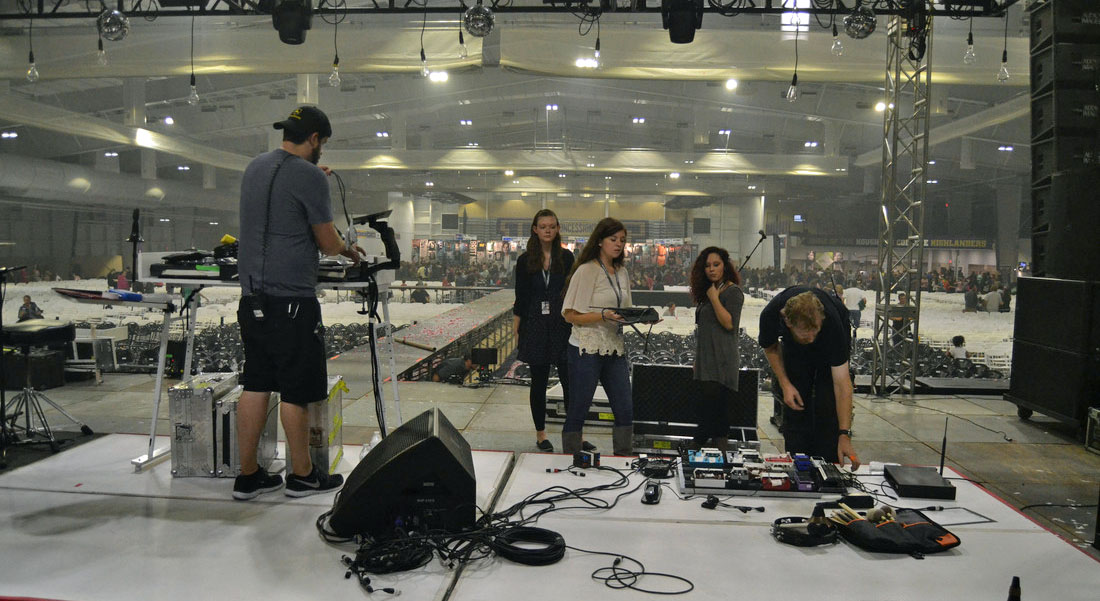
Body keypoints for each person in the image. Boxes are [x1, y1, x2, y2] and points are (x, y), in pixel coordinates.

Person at [233, 105, 362, 501]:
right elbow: (326, 241)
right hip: (292, 301)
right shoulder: (310, 176)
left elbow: (280, 201)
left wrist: (309, 180)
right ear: (316, 140)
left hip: (252, 297)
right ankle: (303, 476)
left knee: (256, 384)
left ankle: (249, 475)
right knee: (295, 391)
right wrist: (348, 250)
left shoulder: (255, 166)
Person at [759, 287, 860, 468]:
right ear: (788, 321)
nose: (812, 339)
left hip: (831, 336)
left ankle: (829, 462)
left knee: (827, 400)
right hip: (794, 346)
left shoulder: (831, 323)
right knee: (796, 399)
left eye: (815, 331)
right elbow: (771, 347)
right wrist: (786, 384)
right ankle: (799, 461)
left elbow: (842, 384)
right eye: (806, 333)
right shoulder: (771, 315)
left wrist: (844, 434)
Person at [561, 217, 634, 456]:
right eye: (613, 239)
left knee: (624, 407)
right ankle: (572, 458)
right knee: (579, 407)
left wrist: (642, 317)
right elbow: (570, 314)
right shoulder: (587, 270)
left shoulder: (622, 272)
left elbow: (624, 310)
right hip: (586, 348)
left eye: (622, 240)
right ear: (600, 241)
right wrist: (603, 316)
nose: (618, 244)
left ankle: (623, 456)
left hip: (614, 347)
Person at [513, 209, 574, 452]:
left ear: (558, 229)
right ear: (535, 230)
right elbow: (521, 296)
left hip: (561, 323)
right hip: (535, 322)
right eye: (543, 226)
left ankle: (573, 433)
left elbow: (573, 291)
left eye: (552, 226)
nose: (548, 230)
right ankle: (541, 434)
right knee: (538, 382)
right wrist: (517, 326)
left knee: (570, 381)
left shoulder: (568, 258)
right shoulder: (525, 260)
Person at [689, 247, 744, 451]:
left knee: (715, 411)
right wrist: (698, 359)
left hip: (722, 359)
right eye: (707, 266)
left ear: (725, 266)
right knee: (712, 410)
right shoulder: (710, 291)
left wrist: (714, 298)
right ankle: (712, 455)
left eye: (716, 264)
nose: (711, 269)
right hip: (706, 358)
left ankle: (699, 447)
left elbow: (730, 324)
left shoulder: (733, 292)